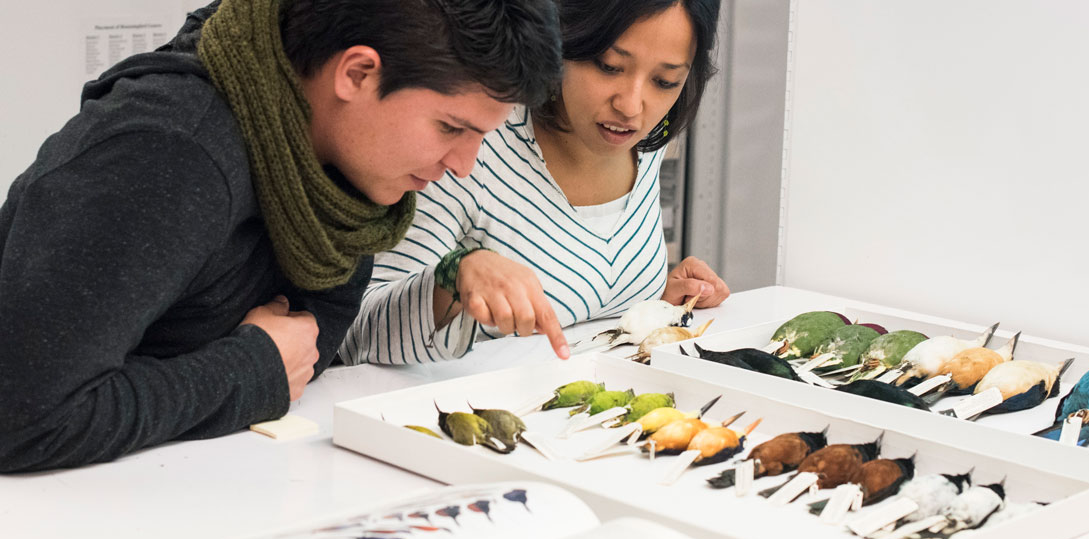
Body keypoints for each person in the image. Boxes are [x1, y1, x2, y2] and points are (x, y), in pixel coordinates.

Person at [0, 0, 561, 473]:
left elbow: (316, 331)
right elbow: (23, 417)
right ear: (358, 73)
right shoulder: (166, 153)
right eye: (450, 128)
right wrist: (250, 371)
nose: (464, 164)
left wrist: (263, 363)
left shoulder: (346, 168)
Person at [339, 0, 729, 366]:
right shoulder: (470, 148)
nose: (631, 105)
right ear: (562, 39)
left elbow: (584, 298)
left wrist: (661, 301)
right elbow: (356, 333)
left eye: (665, 81)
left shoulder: (645, 145)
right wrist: (454, 277)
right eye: (609, 66)